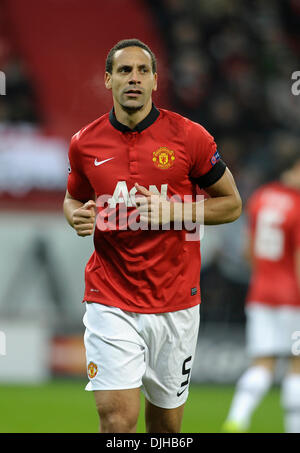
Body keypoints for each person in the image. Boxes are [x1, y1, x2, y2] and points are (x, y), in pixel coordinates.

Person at [63, 38, 242, 433]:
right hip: (110, 297)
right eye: (124, 71)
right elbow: (73, 200)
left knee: (165, 429)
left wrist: (175, 210)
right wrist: (77, 217)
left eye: (143, 71)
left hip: (176, 302)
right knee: (117, 421)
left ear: (156, 81)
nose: (134, 79)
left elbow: (232, 204)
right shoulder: (84, 143)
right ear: (108, 79)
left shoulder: (190, 137)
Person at [222, 151, 300, 433]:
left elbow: (247, 251)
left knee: (262, 362)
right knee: (296, 362)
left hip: (261, 293)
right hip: (294, 299)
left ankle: (237, 420)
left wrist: (266, 274)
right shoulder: (298, 205)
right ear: (291, 169)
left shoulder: (261, 198)